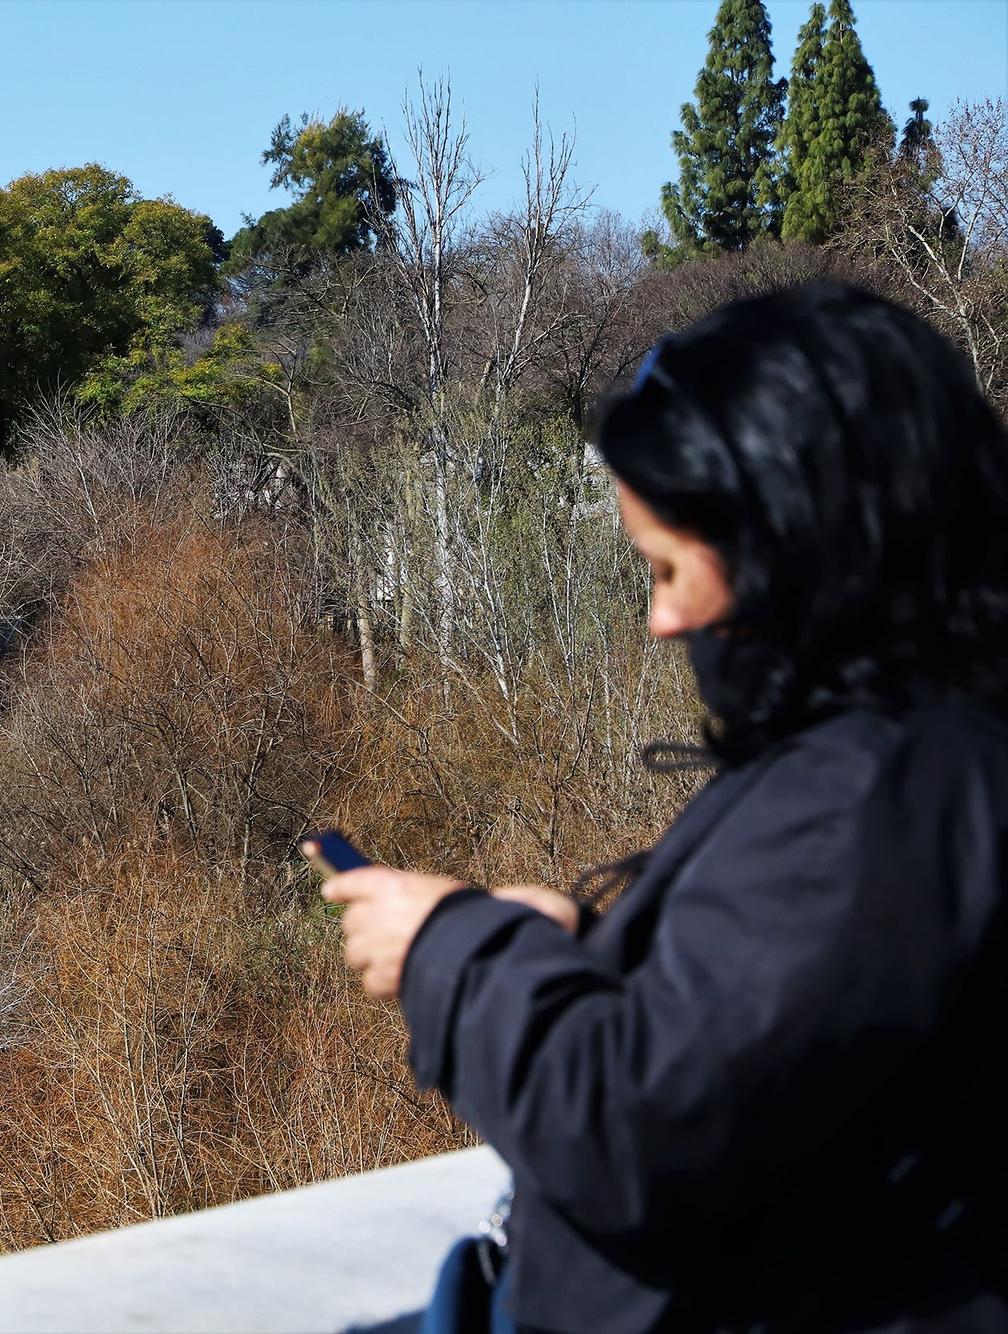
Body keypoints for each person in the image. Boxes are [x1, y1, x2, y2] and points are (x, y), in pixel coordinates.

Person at [324, 284, 1008, 1332]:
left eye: (668, 568)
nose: (658, 620)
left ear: (798, 548)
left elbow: (635, 1124)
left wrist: (446, 950)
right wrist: (574, 949)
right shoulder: (902, 749)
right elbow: (781, 1043)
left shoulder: (876, 796)